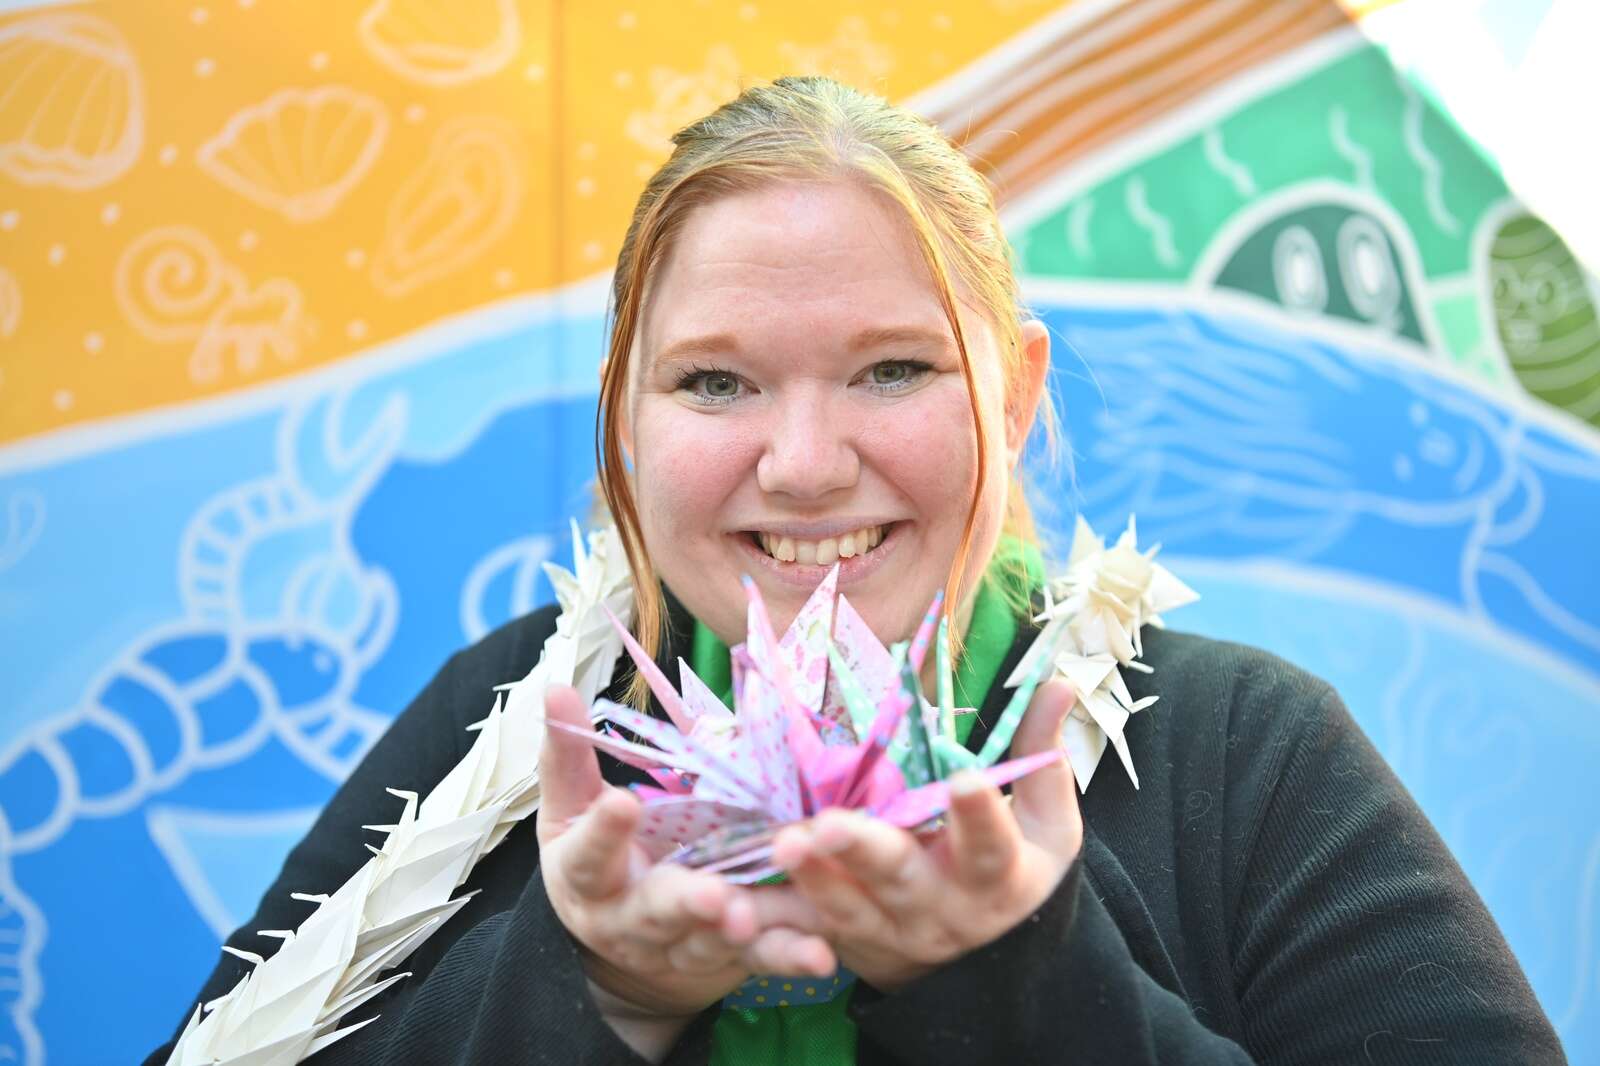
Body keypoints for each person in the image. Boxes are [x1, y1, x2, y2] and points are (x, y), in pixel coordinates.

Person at [148, 77, 1565, 1065]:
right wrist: (591, 989)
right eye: (715, 382)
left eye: (893, 368)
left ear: (1012, 398)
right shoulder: (512, 723)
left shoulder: (1243, 753)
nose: (807, 462)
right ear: (623, 417)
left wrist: (1026, 981)